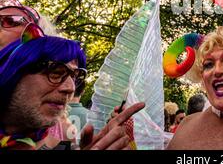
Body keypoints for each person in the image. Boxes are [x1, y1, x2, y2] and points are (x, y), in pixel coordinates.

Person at [0, 23, 144, 150]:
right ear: (13, 74)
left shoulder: (62, 143)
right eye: (55, 72)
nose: (71, 88)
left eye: (75, 76)